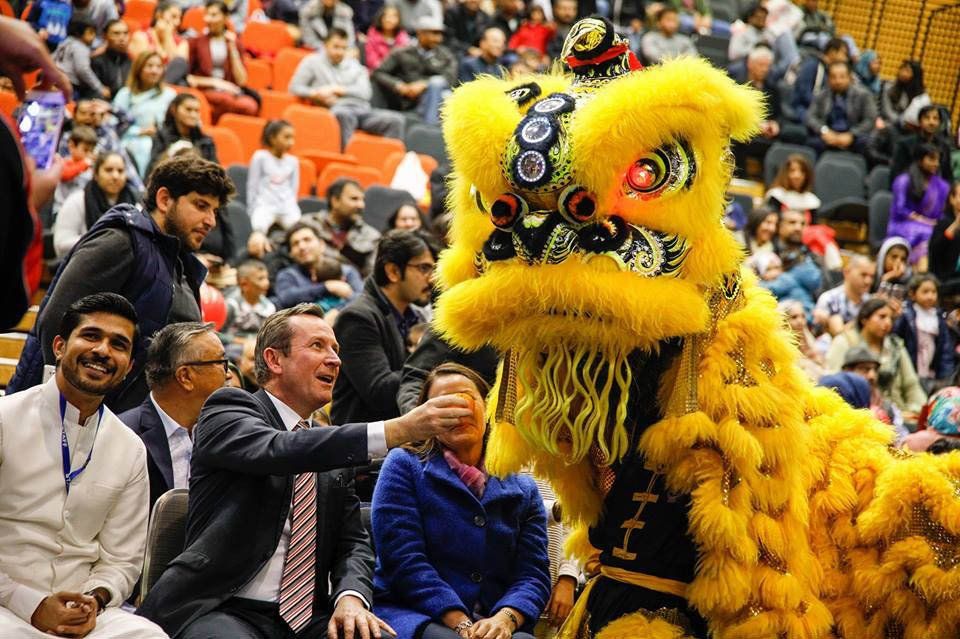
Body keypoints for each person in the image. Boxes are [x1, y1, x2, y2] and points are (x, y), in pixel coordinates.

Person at [136, 303, 476, 639]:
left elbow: (353, 542)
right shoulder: (227, 408)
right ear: (273, 359)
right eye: (318, 346)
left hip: (309, 617)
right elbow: (278, 450)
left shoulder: (326, 442)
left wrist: (350, 598)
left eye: (336, 349)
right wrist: (397, 430)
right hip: (220, 605)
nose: (335, 359)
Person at [8, 155, 234, 413]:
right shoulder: (120, 240)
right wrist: (72, 412)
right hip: (69, 417)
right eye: (201, 205)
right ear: (164, 199)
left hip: (127, 426)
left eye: (214, 211)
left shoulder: (181, 266)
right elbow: (56, 321)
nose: (211, 221)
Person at [0, 293, 167, 639]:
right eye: (91, 336)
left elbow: (123, 560)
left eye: (118, 344)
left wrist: (95, 599)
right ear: (60, 346)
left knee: (148, 636)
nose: (103, 351)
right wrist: (30, 603)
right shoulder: (5, 420)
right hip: (6, 603)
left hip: (83, 611)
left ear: (128, 366)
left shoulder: (130, 448)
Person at [371, 362, 551, 639]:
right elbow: (403, 560)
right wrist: (460, 622)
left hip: (494, 619)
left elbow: (533, 574)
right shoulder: (404, 466)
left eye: (466, 399)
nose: (457, 411)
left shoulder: (523, 486)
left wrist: (506, 618)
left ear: (488, 407)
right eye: (443, 404)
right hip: (417, 613)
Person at [118, 321, 227, 509]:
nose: (229, 374)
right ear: (185, 376)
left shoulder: (223, 432)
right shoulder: (123, 435)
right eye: (221, 362)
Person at [331, 230, 435, 424]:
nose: (431, 279)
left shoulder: (416, 316)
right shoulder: (357, 318)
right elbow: (381, 392)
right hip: (366, 448)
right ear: (393, 272)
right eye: (424, 268)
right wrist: (437, 359)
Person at [289, 28, 404, 148]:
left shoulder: (356, 66)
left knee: (396, 120)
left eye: (343, 48)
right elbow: (295, 87)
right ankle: (348, 158)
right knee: (344, 115)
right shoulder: (312, 62)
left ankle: (385, 162)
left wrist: (338, 90)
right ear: (325, 45)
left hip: (363, 111)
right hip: (337, 108)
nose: (339, 52)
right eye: (336, 47)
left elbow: (365, 93)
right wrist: (315, 93)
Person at [825, 297, 927, 420]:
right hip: (855, 414)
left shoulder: (896, 346)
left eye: (891, 318)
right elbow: (833, 384)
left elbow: (911, 385)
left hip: (900, 412)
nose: (888, 322)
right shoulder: (844, 342)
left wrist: (918, 411)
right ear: (864, 319)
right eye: (882, 317)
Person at [372, 15, 458, 126]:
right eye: (434, 33)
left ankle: (429, 127)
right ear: (420, 33)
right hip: (407, 101)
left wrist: (424, 84)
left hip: (436, 101)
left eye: (440, 34)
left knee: (440, 87)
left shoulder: (446, 55)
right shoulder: (401, 52)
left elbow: (451, 78)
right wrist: (399, 86)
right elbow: (378, 72)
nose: (438, 38)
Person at [53, 151, 140, 257]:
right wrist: (103, 241)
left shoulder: (135, 205)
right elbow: (61, 244)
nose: (115, 176)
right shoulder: (77, 201)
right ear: (96, 174)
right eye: (109, 170)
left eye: (120, 171)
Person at [186, 0, 259, 123]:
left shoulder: (235, 43)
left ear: (225, 18)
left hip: (230, 93)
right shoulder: (196, 42)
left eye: (214, 15)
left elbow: (241, 81)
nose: (208, 19)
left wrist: (233, 50)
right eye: (207, 14)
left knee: (250, 106)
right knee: (225, 100)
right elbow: (188, 78)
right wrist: (217, 83)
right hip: (207, 89)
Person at [272, 221, 363, 310]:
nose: (302, 246)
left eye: (307, 240)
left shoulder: (346, 271)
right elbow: (286, 298)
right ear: (291, 253)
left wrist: (336, 312)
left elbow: (361, 299)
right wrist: (326, 287)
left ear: (322, 245)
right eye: (295, 243)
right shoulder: (287, 275)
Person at [113, 51, 177, 176]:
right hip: (130, 140)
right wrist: (139, 131)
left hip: (163, 140)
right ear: (139, 68)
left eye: (159, 67)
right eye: (149, 66)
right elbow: (112, 123)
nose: (154, 71)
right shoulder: (125, 94)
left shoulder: (170, 95)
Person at [888, 142, 951, 268]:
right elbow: (900, 210)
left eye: (938, 160)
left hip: (931, 224)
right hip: (902, 224)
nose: (936, 164)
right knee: (929, 233)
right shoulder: (904, 180)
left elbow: (942, 214)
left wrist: (936, 223)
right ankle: (920, 271)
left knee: (942, 233)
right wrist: (923, 220)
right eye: (931, 159)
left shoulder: (942, 186)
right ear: (920, 159)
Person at [247, 120, 302, 255]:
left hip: (286, 206)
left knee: (299, 229)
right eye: (286, 137)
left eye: (293, 138)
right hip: (265, 204)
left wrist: (291, 205)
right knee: (258, 227)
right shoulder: (260, 157)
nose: (291, 142)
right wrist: (252, 209)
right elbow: (252, 185)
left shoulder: (293, 162)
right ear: (272, 138)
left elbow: (294, 188)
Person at [893, 274, 955, 391]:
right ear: (912, 294)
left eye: (933, 292)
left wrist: (945, 380)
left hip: (931, 375)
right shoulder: (906, 315)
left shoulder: (939, 318)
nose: (930, 296)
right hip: (909, 372)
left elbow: (945, 352)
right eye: (925, 292)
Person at [805, 61, 877, 154]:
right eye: (833, 77)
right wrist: (824, 130)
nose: (838, 81)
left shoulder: (864, 94)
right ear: (828, 79)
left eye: (842, 77)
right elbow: (810, 117)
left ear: (849, 78)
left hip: (854, 135)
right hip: (829, 134)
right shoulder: (822, 95)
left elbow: (870, 120)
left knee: (865, 143)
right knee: (812, 143)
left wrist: (852, 134)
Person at [313, 177, 381, 275]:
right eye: (354, 199)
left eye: (362, 200)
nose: (361, 205)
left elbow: (371, 276)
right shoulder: (309, 225)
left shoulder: (371, 236)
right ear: (335, 201)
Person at [147, 92, 219, 175]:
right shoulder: (161, 137)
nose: (193, 115)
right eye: (188, 109)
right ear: (174, 110)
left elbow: (215, 172)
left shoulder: (206, 141)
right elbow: (153, 170)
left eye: (197, 111)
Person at [889, 104, 955, 186]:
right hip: (909, 189)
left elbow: (948, 175)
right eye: (927, 118)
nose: (931, 122)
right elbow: (896, 173)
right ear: (920, 121)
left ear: (939, 123)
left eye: (935, 118)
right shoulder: (905, 144)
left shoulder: (944, 147)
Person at [790, 37, 849, 125]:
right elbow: (803, 93)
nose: (845, 59)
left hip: (821, 112)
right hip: (802, 109)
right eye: (843, 54)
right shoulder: (812, 65)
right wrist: (822, 106)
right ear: (833, 52)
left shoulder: (831, 72)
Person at [813, 254, 873, 336]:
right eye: (863, 275)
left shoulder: (870, 302)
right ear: (846, 272)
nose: (868, 281)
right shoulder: (829, 299)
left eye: (871, 276)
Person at [54, 16, 111, 100]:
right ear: (79, 33)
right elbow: (82, 69)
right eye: (90, 32)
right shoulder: (80, 47)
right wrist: (100, 88)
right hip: (69, 85)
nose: (94, 36)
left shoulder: (65, 42)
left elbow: (52, 58)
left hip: (55, 79)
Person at [223, 259, 277, 340]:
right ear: (244, 284)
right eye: (261, 279)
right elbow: (217, 334)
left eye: (266, 278)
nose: (267, 283)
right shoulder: (230, 305)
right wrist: (241, 343)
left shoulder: (269, 308)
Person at [53, 124, 98, 213]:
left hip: (84, 210)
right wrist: (84, 164)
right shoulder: (64, 162)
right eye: (85, 150)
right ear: (72, 146)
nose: (89, 154)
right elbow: (64, 175)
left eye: (91, 151)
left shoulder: (90, 166)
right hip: (62, 209)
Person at [128, 1, 189, 65]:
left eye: (180, 18)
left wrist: (167, 36)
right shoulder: (141, 37)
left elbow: (177, 68)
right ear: (159, 15)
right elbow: (146, 66)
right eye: (173, 16)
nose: (178, 22)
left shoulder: (182, 42)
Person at [780, 299, 825, 380]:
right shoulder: (779, 347)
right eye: (794, 317)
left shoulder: (808, 339)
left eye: (803, 316)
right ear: (783, 321)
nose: (800, 321)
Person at [880, 60, 929, 130]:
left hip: (912, 128)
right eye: (902, 69)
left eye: (907, 71)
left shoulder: (922, 96)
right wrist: (901, 122)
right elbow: (887, 111)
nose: (903, 73)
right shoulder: (889, 87)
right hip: (890, 124)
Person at [90, 19, 131, 99]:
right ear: (105, 36)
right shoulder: (97, 62)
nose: (122, 38)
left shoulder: (132, 63)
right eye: (116, 33)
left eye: (125, 33)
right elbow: (92, 93)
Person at [929, 181, 960, 283]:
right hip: (947, 278)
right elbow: (935, 250)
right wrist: (955, 225)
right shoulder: (944, 222)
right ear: (952, 198)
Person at [365, 4, 410, 71]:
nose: (389, 19)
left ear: (399, 19)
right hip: (378, 72)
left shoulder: (403, 36)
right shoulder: (372, 34)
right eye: (386, 16)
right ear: (381, 18)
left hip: (398, 72)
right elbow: (372, 61)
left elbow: (405, 60)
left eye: (393, 16)